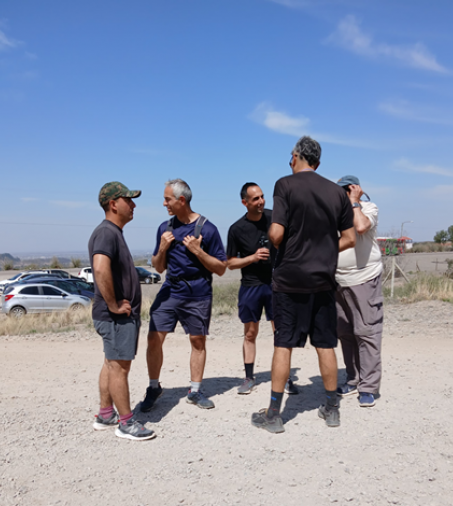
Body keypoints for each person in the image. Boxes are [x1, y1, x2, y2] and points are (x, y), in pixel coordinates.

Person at [251, 136, 355, 434]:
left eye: (290, 156)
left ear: (296, 156)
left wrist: (275, 232)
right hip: (323, 278)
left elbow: (276, 235)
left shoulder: (285, 185)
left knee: (283, 344)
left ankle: (273, 414)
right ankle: (332, 409)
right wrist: (323, 248)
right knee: (325, 344)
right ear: (318, 163)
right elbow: (349, 238)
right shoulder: (337, 192)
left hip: (290, 278)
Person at [135, 179, 226, 414]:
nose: (164, 203)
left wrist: (198, 251)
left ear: (181, 200)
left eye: (167, 199)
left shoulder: (208, 229)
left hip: (198, 293)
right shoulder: (164, 228)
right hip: (170, 291)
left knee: (197, 341)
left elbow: (221, 268)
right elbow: (157, 267)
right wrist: (163, 248)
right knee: (154, 339)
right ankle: (154, 388)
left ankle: (195, 391)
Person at [88, 182, 155, 441]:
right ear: (113, 203)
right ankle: (126, 423)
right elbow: (101, 268)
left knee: (110, 362)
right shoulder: (106, 233)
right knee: (119, 367)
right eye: (129, 200)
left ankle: (106, 414)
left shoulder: (112, 232)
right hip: (115, 316)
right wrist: (115, 304)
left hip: (113, 316)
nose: (134, 204)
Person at [224, 182, 299, 396]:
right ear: (244, 202)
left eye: (262, 197)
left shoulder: (275, 218)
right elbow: (229, 263)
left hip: (277, 284)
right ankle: (248, 378)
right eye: (255, 198)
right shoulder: (236, 229)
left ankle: (284, 377)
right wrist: (252, 258)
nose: (261, 201)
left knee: (281, 332)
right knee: (250, 333)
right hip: (251, 286)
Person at [333, 175, 383, 407]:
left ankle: (368, 387)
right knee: (345, 333)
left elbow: (361, 227)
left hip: (364, 278)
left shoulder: (367, 208)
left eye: (347, 190)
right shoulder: (333, 214)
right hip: (338, 282)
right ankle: (353, 380)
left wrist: (354, 201)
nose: (341, 194)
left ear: (356, 190)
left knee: (367, 333)